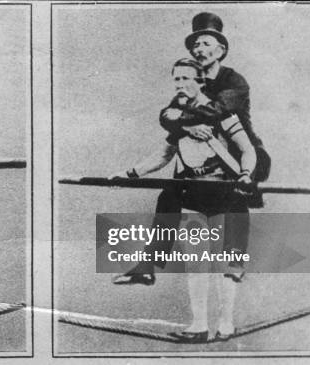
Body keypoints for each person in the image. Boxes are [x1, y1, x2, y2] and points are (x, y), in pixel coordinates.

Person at [113, 12, 268, 286]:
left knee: (236, 196)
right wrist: (134, 171)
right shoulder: (188, 85)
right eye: (195, 45)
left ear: (221, 50)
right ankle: (148, 266)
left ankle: (235, 260)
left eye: (206, 44)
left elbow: (216, 111)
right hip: (199, 160)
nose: (199, 49)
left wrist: (181, 120)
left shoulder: (234, 82)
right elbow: (166, 119)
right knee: (170, 195)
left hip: (237, 155)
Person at [112, 58, 256, 343]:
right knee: (197, 262)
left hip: (227, 193)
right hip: (195, 193)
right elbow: (164, 155)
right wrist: (131, 173)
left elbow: (247, 149)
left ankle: (226, 323)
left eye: (185, 78)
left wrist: (246, 173)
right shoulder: (180, 119)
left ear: (201, 81)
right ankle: (199, 326)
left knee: (228, 263)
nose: (179, 84)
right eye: (175, 79)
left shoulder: (223, 114)